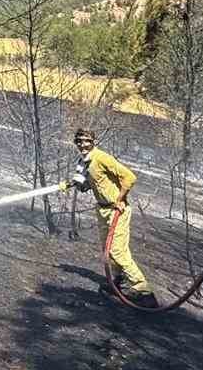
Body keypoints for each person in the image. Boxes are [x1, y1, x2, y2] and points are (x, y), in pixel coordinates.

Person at [63, 128, 158, 309]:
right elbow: (89, 184)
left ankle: (145, 292)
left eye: (86, 141)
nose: (82, 144)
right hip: (102, 210)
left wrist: (119, 199)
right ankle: (117, 283)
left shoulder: (101, 158)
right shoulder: (84, 162)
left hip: (117, 211)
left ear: (93, 142)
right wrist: (71, 183)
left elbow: (130, 177)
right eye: (79, 141)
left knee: (117, 251)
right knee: (107, 250)